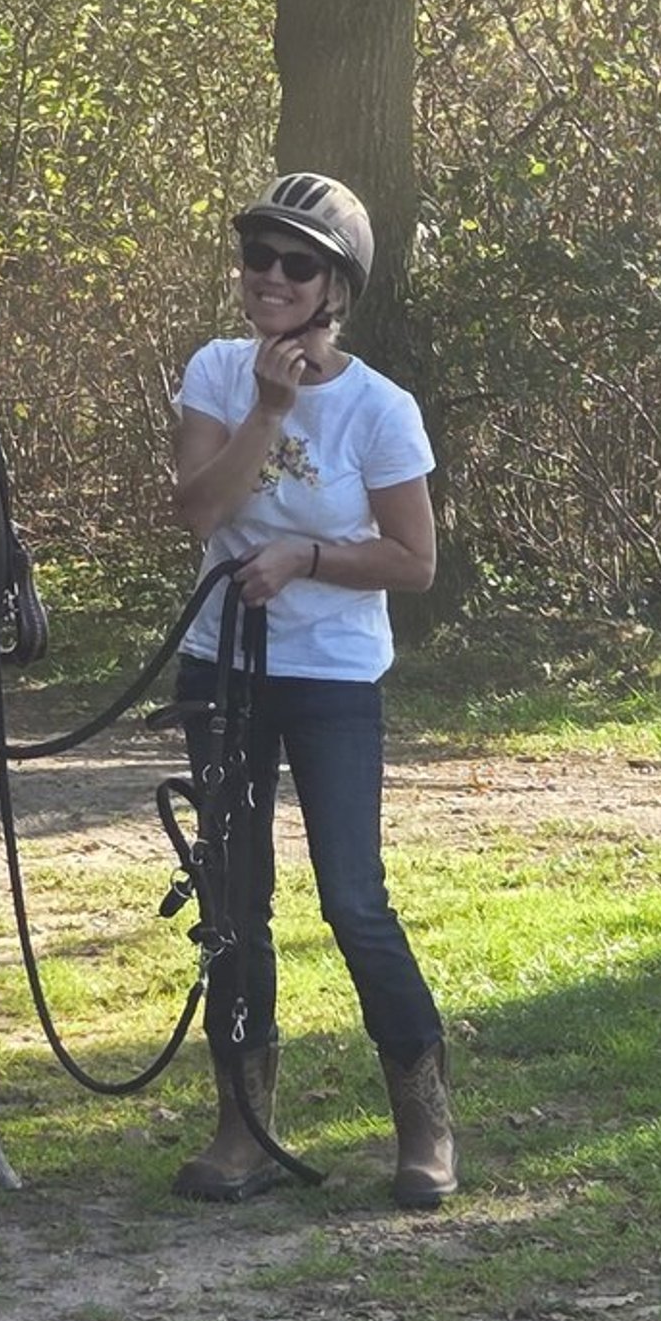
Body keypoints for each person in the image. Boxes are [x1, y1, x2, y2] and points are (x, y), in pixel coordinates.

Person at [169, 172, 455, 1213]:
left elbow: (414, 559)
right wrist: (270, 408)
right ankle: (242, 1124)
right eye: (258, 256)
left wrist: (305, 556)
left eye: (296, 263)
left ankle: (424, 1119)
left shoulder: (382, 409)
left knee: (351, 898)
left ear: (336, 285)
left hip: (331, 678)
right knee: (233, 906)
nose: (269, 278)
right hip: (224, 668)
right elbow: (199, 509)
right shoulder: (214, 372)